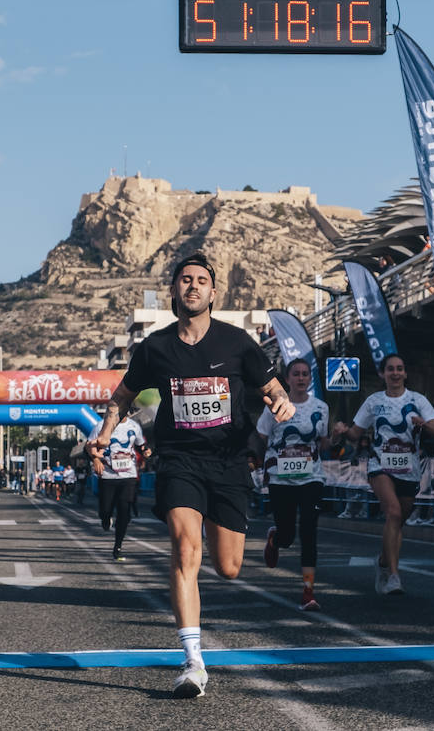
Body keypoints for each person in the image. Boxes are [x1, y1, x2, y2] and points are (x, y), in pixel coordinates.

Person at [89, 253, 293, 698]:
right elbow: (121, 398)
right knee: (185, 548)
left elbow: (272, 387)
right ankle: (193, 661)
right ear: (175, 290)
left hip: (229, 462)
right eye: (185, 280)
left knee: (229, 567)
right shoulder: (155, 348)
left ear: (213, 292)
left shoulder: (238, 343)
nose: (194, 286)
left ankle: (269, 535)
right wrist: (104, 435)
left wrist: (282, 402)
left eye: (202, 280)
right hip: (179, 460)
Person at [332, 353, 434, 596]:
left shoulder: (417, 400)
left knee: (397, 521)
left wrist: (423, 423)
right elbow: (356, 434)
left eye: (399, 369)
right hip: (379, 466)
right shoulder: (374, 401)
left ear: (405, 374)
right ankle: (394, 576)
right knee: (393, 512)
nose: (395, 373)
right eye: (390, 369)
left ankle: (384, 561)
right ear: (383, 374)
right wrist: (344, 431)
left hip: (409, 469)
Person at [252, 357, 331, 612]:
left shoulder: (321, 407)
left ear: (309, 378)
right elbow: (260, 438)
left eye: (305, 374)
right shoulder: (273, 407)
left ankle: (308, 591)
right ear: (287, 379)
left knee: (309, 530)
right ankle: (276, 539)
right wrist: (252, 462)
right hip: (280, 478)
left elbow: (323, 442)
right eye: (295, 374)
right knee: (288, 535)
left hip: (312, 477)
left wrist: (336, 437)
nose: (300, 378)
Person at [90, 411, 148, 561]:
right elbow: (89, 446)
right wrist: (95, 459)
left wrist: (146, 452)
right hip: (108, 475)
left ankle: (118, 546)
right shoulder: (101, 426)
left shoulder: (134, 426)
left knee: (125, 511)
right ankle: (105, 518)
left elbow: (141, 445)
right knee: (105, 510)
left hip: (128, 475)